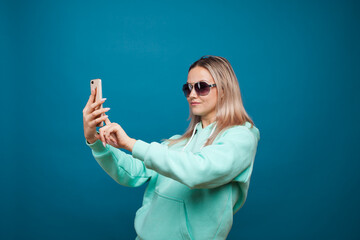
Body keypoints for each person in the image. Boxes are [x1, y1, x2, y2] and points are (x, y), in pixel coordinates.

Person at [82, 55, 260, 240]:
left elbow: (200, 170)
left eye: (201, 87)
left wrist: (131, 143)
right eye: (188, 88)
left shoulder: (241, 137)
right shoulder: (177, 143)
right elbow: (132, 173)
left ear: (224, 90)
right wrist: (94, 140)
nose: (192, 94)